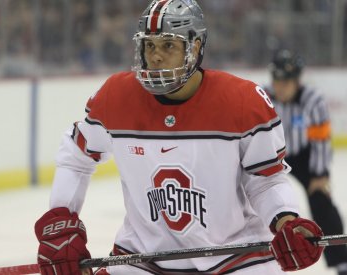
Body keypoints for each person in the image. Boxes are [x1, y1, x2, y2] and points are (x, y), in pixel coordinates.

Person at [34, 1, 324, 274]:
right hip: (142, 259)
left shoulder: (243, 102)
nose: (155, 55)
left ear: (195, 47)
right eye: (149, 45)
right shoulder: (115, 97)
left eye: (168, 45)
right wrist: (61, 223)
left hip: (235, 257)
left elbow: (266, 180)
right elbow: (76, 156)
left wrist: (286, 221)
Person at [266, 49, 347, 275]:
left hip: (303, 156)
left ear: (297, 81)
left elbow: (321, 140)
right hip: (271, 155)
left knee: (321, 202)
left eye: (286, 82)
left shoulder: (313, 100)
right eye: (277, 81)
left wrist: (320, 174)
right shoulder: (263, 97)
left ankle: (341, 263)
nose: (280, 87)